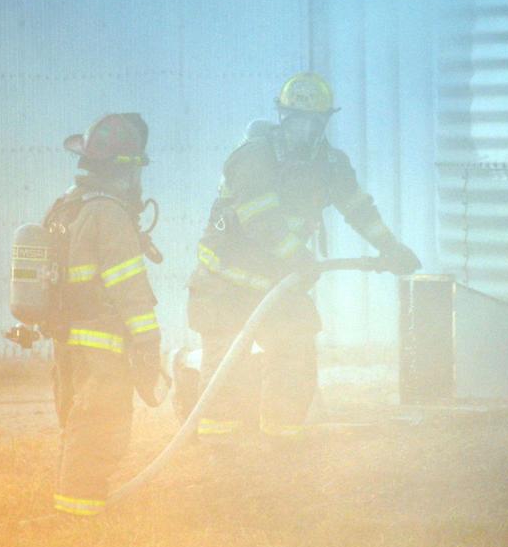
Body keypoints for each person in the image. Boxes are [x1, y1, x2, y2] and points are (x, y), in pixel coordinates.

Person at [186, 72, 421, 438]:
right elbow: (260, 218)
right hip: (226, 284)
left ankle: (282, 443)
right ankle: (222, 454)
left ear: (325, 121)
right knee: (227, 371)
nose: (306, 131)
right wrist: (297, 256)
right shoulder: (254, 157)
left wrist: (391, 248)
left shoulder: (330, 164)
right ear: (283, 117)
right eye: (298, 121)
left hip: (282, 282)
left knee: (295, 355)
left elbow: (358, 207)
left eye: (314, 122)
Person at [45, 113, 162, 517]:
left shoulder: (67, 207)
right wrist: (149, 344)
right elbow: (129, 287)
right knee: (100, 427)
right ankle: (79, 520)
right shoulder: (108, 215)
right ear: (123, 172)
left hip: (68, 341)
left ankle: (74, 507)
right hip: (101, 345)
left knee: (78, 424)